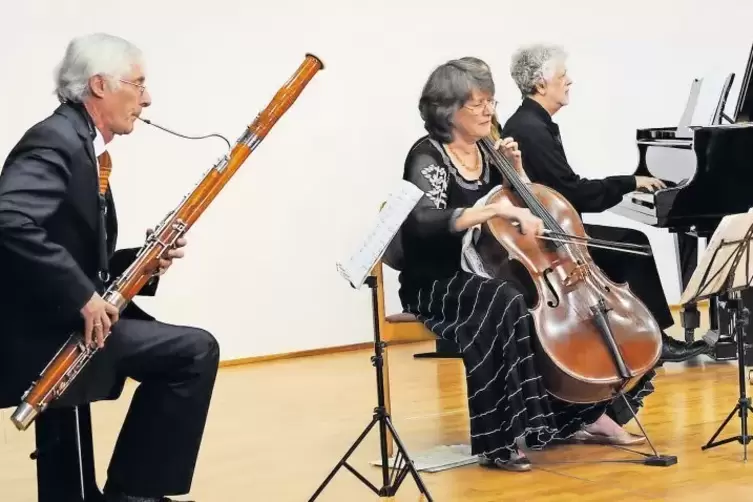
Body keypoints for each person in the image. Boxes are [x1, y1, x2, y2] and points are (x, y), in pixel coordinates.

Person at [394, 57, 650, 473]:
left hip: (483, 267)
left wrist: (516, 172)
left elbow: (528, 207)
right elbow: (423, 222)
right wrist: (492, 214)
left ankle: (576, 416)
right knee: (504, 301)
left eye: (490, 101)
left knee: (529, 301)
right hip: (436, 277)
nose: (488, 111)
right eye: (476, 104)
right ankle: (499, 439)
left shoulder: (488, 150)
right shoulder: (427, 157)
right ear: (448, 109)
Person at [0, 33, 219, 502]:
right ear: (99, 85)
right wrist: (82, 294)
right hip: (44, 331)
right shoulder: (55, 140)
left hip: (57, 317)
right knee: (194, 353)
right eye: (137, 84)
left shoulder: (79, 142)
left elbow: (78, 256)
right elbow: (9, 220)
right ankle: (135, 494)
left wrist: (143, 264)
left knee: (186, 351)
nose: (147, 98)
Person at [500, 43, 710, 368]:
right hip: (551, 244)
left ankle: (640, 335)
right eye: (563, 75)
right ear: (541, 84)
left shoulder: (533, 123)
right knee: (633, 245)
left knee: (630, 243)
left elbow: (565, 189)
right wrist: (629, 182)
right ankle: (654, 340)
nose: (569, 81)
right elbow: (574, 193)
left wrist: (627, 183)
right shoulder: (530, 129)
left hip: (555, 233)